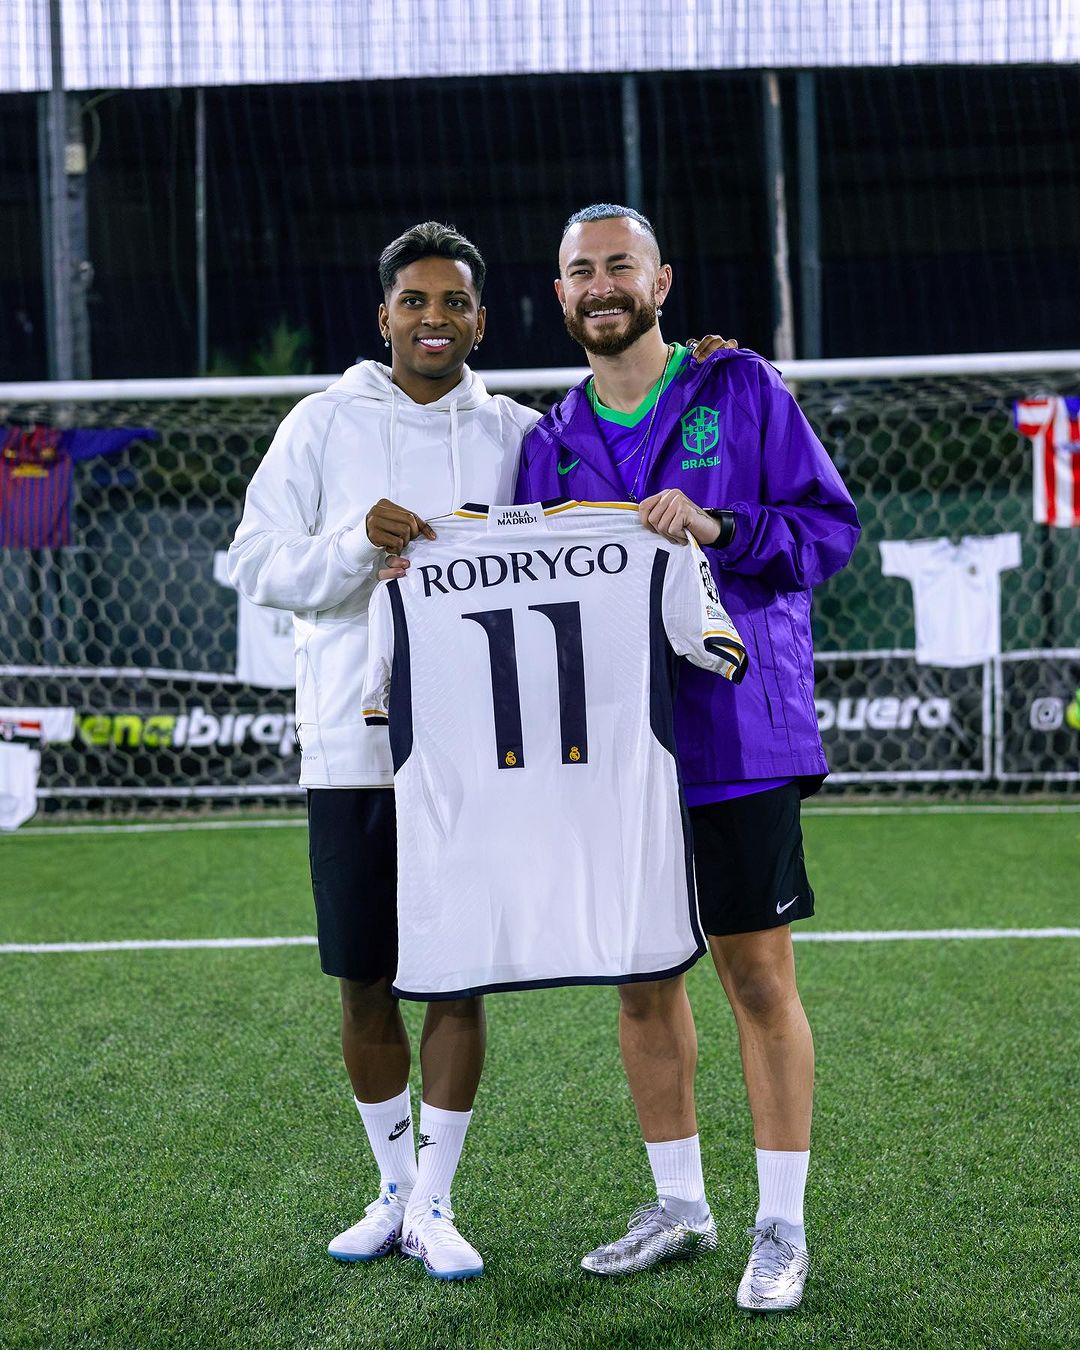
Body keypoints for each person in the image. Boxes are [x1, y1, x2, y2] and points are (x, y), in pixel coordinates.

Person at [513, 204, 860, 1311]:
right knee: (640, 978)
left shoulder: (741, 389)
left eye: (619, 266)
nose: (601, 285)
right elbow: (524, 607)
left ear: (661, 278)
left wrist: (718, 526)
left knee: (757, 978)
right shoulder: (547, 440)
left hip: (736, 740)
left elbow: (830, 533)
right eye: (581, 272)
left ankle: (779, 1225)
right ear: (561, 294)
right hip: (613, 753)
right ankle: (680, 1202)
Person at [227, 222, 540, 1281]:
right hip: (348, 751)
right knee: (363, 979)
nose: (435, 319)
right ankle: (393, 1190)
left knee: (458, 979)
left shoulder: (516, 433)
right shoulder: (320, 423)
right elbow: (256, 562)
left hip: (473, 754)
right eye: (416, 300)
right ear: (384, 317)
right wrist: (360, 541)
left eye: (454, 302)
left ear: (481, 321)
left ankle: (439, 1205)